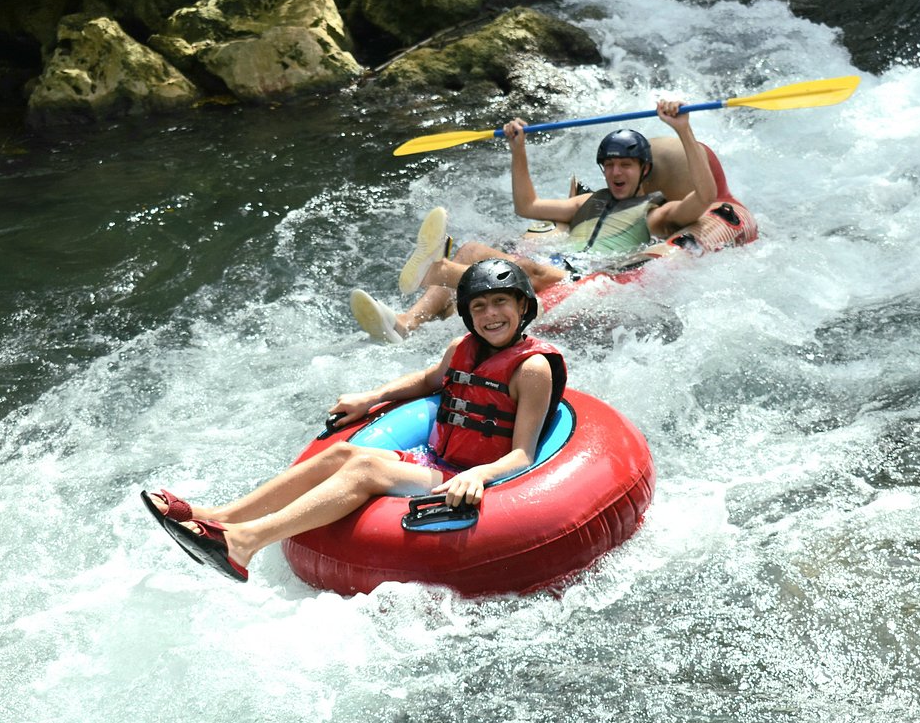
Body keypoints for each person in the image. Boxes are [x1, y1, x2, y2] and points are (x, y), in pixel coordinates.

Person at [142, 259, 567, 582]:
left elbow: (522, 454)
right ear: (467, 315)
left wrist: (478, 476)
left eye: (500, 302)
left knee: (364, 467)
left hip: (467, 480)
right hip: (436, 461)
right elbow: (429, 381)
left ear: (523, 306)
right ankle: (218, 516)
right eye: (479, 306)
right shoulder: (462, 347)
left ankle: (244, 543)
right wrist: (373, 397)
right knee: (343, 452)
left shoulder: (531, 369)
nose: (491, 314)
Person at [350, 99, 720, 343]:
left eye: (625, 165)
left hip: (591, 276)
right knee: (472, 249)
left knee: (518, 265)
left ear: (644, 170)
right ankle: (405, 323)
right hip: (559, 263)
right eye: (609, 165)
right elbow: (527, 205)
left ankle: (433, 269)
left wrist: (682, 129)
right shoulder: (585, 203)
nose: (616, 172)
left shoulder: (656, 214)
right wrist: (518, 149)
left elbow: (705, 197)